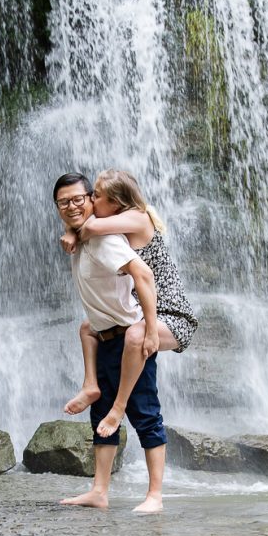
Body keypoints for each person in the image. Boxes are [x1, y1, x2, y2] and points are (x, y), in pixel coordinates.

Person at [53, 172, 167, 513]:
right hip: (104, 335)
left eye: (78, 199)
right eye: (63, 202)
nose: (72, 206)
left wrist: (148, 329)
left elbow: (143, 275)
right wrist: (73, 231)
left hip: (128, 334)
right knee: (100, 412)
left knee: (144, 413)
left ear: (92, 199)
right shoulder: (83, 236)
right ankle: (99, 491)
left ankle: (155, 496)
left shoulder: (105, 239)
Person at [60, 168, 198, 438]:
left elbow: (89, 226)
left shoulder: (138, 217)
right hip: (143, 310)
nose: (90, 200)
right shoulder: (120, 222)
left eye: (95, 196)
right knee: (89, 327)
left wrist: (71, 231)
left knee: (135, 335)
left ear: (116, 203)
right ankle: (91, 385)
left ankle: (118, 408)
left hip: (173, 316)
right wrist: (74, 231)